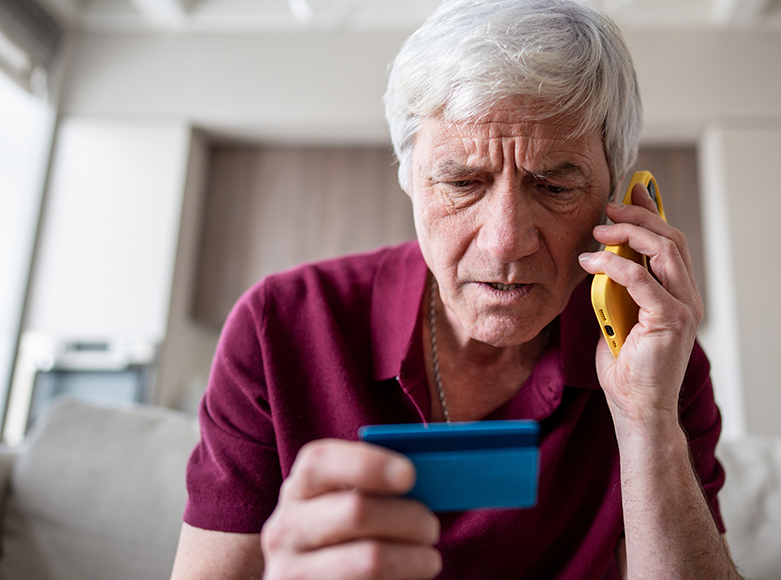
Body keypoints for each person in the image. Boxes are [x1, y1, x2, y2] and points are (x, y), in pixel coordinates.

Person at [170, 0, 741, 578]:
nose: (505, 242)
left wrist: (648, 419)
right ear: (409, 180)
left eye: (554, 186)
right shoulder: (280, 326)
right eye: (463, 182)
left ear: (615, 200)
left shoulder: (659, 355)